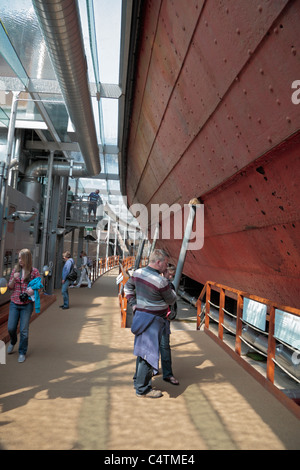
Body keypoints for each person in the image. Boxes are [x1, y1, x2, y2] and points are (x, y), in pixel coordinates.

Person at [124, 249, 177, 398]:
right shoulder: (161, 281)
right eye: (165, 264)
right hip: (154, 321)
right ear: (158, 262)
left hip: (141, 317)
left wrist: (134, 304)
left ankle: (138, 380)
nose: (166, 267)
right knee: (148, 354)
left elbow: (127, 288)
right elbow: (172, 299)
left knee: (142, 352)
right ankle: (143, 389)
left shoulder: (137, 273)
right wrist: (168, 283)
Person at [7, 248, 40, 363]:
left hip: (27, 305)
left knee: (24, 330)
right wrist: (13, 279)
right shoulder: (16, 270)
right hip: (14, 303)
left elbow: (39, 288)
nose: (19, 260)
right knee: (11, 328)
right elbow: (10, 287)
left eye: (21, 258)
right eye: (19, 258)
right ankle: (13, 341)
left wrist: (33, 291)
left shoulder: (34, 272)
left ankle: (22, 352)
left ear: (27, 258)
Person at [160, 265, 179, 385]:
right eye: (170, 274)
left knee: (164, 346)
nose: (171, 277)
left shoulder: (169, 285)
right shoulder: (161, 283)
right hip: (157, 317)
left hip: (163, 318)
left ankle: (167, 373)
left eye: (172, 275)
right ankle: (162, 372)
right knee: (161, 346)